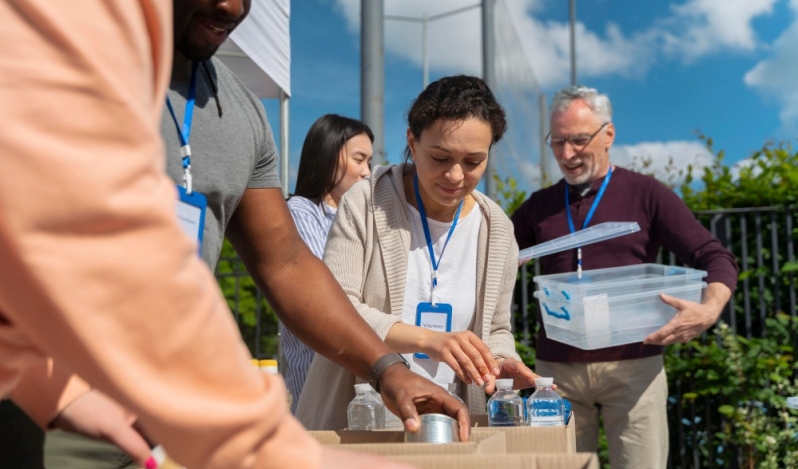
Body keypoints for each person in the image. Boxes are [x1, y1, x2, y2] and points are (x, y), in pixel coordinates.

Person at [2, 2, 464, 469]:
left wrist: (386, 368)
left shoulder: (242, 112)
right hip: (47, 411)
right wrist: (45, 382)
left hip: (173, 418)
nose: (231, 6)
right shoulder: (54, 60)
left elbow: (286, 263)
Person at [297, 75, 542, 430]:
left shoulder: (497, 229)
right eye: (440, 157)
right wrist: (429, 340)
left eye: (473, 161)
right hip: (360, 417)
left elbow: (497, 328)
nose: (455, 175)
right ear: (412, 143)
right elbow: (334, 308)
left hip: (450, 423)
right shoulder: (366, 202)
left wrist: (500, 360)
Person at [511, 85, 738, 468]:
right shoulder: (540, 205)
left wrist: (709, 309)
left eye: (579, 140)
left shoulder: (647, 194)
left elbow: (713, 254)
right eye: (558, 142)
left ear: (608, 134)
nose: (566, 154)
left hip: (634, 366)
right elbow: (493, 255)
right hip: (557, 372)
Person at [283, 114, 374, 413]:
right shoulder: (300, 212)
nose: (366, 172)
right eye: (359, 159)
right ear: (327, 155)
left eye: (369, 162)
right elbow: (323, 286)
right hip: (316, 372)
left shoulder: (360, 217)